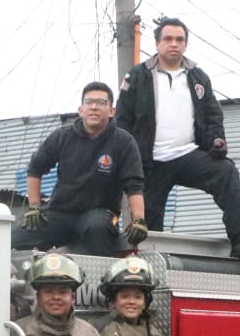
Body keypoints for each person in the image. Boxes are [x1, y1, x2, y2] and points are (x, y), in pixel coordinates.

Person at [115, 17, 240, 260]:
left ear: (186, 44)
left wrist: (216, 141)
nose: (174, 44)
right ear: (157, 43)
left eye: (179, 39)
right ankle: (151, 266)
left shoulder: (198, 77)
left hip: (187, 154)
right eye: (168, 39)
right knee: (149, 230)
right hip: (150, 162)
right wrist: (128, 159)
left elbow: (213, 115)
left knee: (226, 172)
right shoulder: (137, 76)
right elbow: (122, 120)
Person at [12, 82, 147, 256]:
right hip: (60, 212)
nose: (94, 107)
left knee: (96, 228)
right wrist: (34, 207)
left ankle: (100, 281)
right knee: (12, 238)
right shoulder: (62, 136)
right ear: (81, 110)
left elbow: (134, 185)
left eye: (101, 103)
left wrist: (139, 219)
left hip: (98, 214)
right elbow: (35, 169)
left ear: (112, 111)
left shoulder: (124, 142)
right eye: (89, 102)